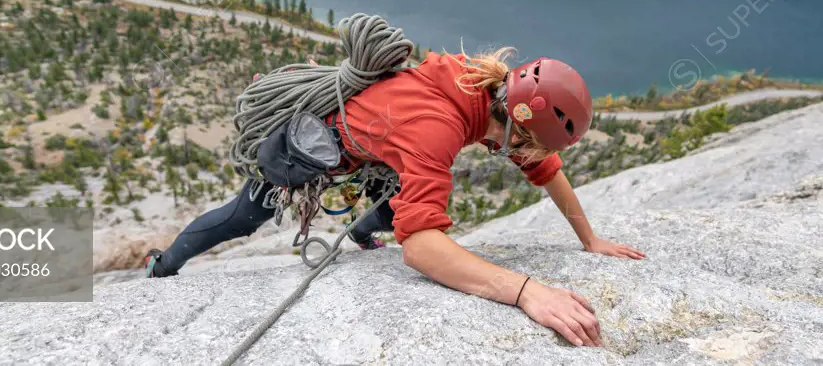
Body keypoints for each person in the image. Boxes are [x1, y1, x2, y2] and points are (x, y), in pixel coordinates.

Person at [143, 48, 645, 348]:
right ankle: (161, 267)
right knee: (243, 216)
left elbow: (544, 168)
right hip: (322, 148)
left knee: (422, 187)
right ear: (515, 126)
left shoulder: (481, 88)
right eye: (525, 145)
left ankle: (362, 231)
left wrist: (590, 238)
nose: (523, 157)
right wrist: (528, 292)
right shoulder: (438, 128)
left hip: (375, 150)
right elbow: (422, 248)